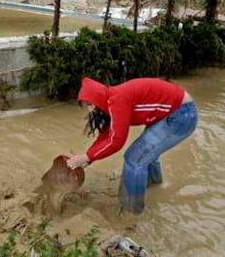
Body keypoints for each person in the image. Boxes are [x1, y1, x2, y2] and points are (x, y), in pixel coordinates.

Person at [67, 77, 198, 214]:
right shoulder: (111, 99)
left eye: (90, 104)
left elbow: (116, 140)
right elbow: (108, 134)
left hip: (180, 115)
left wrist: (86, 156)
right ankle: (154, 188)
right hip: (175, 111)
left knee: (134, 159)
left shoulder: (116, 100)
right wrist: (88, 158)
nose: (89, 109)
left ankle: (131, 212)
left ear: (98, 97)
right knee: (146, 156)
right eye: (86, 106)